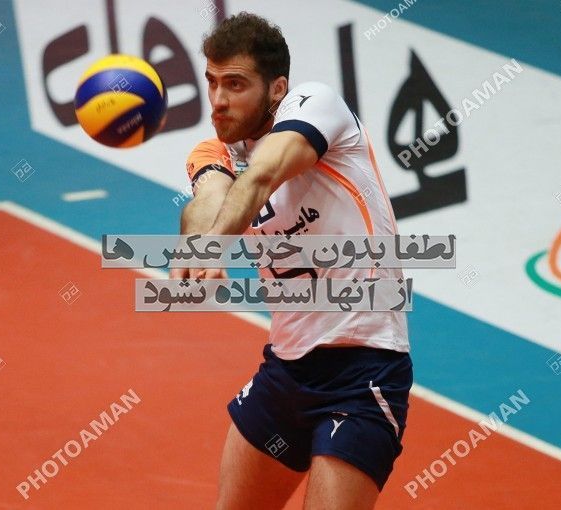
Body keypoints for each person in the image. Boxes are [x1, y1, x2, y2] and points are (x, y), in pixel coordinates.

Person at [170, 12, 413, 510]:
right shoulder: (213, 150)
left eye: (235, 84)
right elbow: (209, 200)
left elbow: (261, 176)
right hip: (285, 369)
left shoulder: (316, 105)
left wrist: (215, 246)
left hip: (363, 370)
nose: (218, 100)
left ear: (277, 88)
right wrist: (197, 241)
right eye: (212, 82)